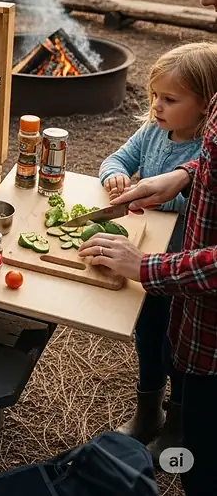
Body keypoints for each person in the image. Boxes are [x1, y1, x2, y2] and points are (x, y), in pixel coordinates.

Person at [78, 0, 217, 496]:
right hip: (195, 320)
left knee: (204, 467)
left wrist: (146, 267)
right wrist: (183, 174)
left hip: (208, 327)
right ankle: (167, 434)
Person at [98, 43, 217, 458]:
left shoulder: (205, 148)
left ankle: (179, 421)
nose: (157, 106)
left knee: (181, 348)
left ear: (206, 106)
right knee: (148, 334)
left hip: (185, 271)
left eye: (170, 99)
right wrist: (115, 177)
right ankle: (148, 409)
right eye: (155, 97)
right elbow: (116, 159)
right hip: (147, 262)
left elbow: (197, 201)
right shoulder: (151, 132)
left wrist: (163, 195)